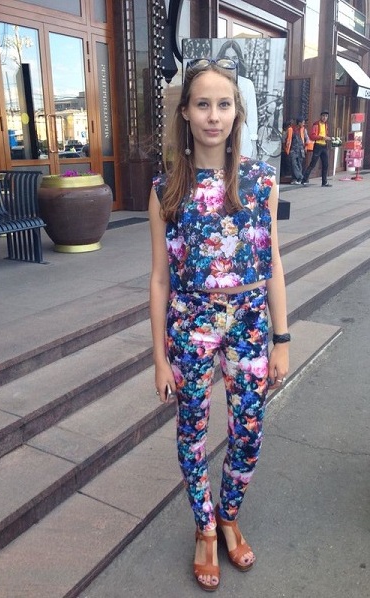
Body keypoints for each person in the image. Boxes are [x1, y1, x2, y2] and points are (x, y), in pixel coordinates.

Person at [149, 58, 290, 592]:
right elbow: (160, 279)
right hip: (189, 323)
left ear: (237, 112)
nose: (214, 116)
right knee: (192, 429)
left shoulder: (261, 181)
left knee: (248, 432)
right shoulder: (167, 189)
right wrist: (158, 357)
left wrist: (281, 339)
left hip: (249, 322)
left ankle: (229, 514)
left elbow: (273, 262)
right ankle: (205, 528)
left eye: (224, 104)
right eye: (203, 104)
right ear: (185, 112)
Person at [216, 40, 258, 159]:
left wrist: (253, 145)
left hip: (241, 139)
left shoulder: (247, 84)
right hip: (219, 136)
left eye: (234, 58)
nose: (231, 61)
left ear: (239, 60)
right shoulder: (214, 84)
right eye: (227, 58)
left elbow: (252, 117)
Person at [301, 110, 332, 187]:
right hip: (318, 146)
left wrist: (327, 138)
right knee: (313, 164)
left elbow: (324, 135)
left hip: (324, 146)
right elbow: (312, 136)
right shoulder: (316, 124)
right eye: (323, 116)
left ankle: (324, 182)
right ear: (320, 116)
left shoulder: (326, 125)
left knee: (325, 164)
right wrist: (323, 138)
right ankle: (304, 180)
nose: (325, 118)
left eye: (326, 116)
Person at [284, 116, 308, 184]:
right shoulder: (290, 129)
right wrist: (285, 147)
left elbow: (306, 138)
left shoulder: (303, 130)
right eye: (303, 123)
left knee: (299, 164)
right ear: (299, 123)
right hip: (292, 149)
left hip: (301, 149)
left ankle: (295, 179)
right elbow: (284, 138)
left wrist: (306, 146)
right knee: (293, 164)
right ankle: (300, 177)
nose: (304, 124)